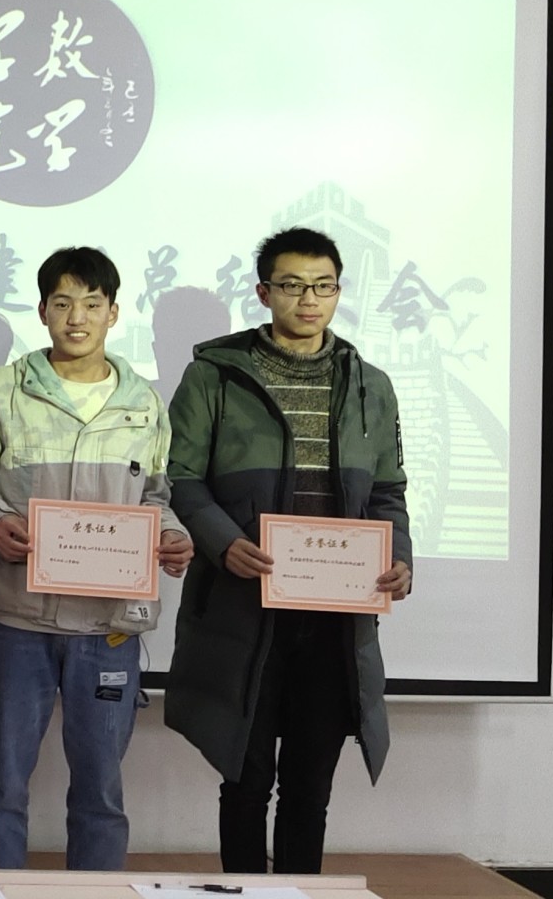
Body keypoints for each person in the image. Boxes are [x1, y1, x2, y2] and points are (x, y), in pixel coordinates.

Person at [166, 227, 413, 875]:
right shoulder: (214, 376)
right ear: (263, 292)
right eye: (293, 285)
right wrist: (225, 542)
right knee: (245, 779)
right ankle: (245, 892)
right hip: (245, 610)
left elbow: (387, 490)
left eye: (323, 286)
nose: (309, 299)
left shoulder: (370, 385)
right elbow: (182, 478)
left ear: (338, 292)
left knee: (310, 785)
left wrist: (399, 556)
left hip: (335, 618)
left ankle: (303, 892)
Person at [0, 246, 192, 869]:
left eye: (91, 303)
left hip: (108, 626)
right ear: (42, 311)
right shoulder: (2, 390)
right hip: (17, 619)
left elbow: (155, 496)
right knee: (2, 787)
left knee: (101, 793)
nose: (77, 317)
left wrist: (171, 535)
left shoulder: (143, 402)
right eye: (62, 303)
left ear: (113, 312)